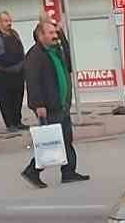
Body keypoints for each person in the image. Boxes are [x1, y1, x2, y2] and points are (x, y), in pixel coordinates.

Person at [22, 17, 89, 189]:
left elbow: (69, 62)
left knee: (66, 139)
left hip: (62, 104)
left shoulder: (55, 50)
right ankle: (32, 171)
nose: (54, 35)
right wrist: (38, 105)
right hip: (48, 106)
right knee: (49, 142)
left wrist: (62, 34)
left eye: (55, 32)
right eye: (51, 33)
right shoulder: (35, 55)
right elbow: (33, 82)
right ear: (40, 35)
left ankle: (69, 172)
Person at [0, 10, 25, 131]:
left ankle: (18, 122)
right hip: (3, 73)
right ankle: (10, 124)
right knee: (5, 100)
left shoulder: (14, 34)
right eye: (6, 21)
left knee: (18, 98)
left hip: (18, 72)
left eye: (9, 20)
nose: (9, 23)